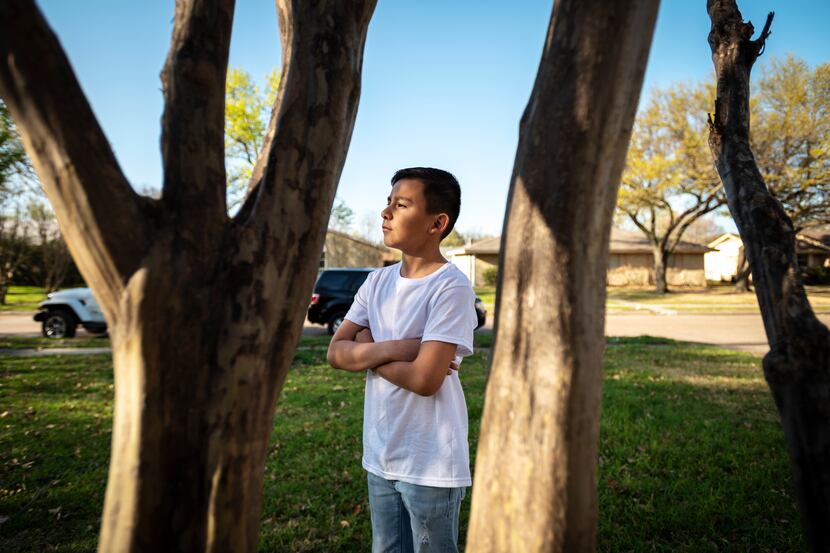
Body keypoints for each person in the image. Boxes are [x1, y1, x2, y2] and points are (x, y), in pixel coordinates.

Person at [327, 167, 477, 553]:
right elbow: (335, 353)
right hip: (380, 453)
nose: (385, 213)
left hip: (430, 461)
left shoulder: (451, 287)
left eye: (401, 204)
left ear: (437, 223)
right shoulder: (377, 282)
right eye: (388, 202)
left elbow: (426, 381)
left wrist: (368, 347)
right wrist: (399, 348)